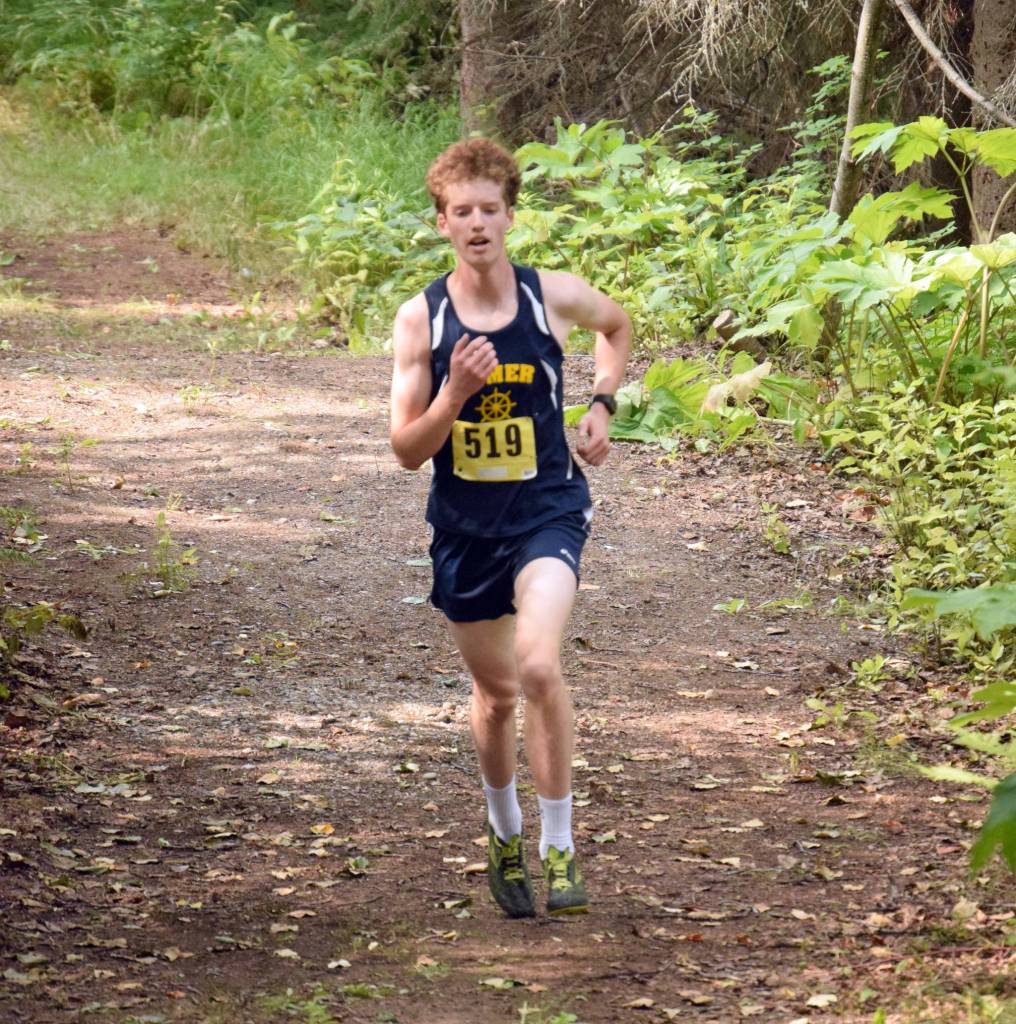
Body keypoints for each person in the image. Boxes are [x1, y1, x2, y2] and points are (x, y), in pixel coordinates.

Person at [389, 138, 631, 918]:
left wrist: (601, 404)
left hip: (548, 509)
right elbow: (405, 451)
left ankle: (560, 849)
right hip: (465, 529)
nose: (478, 223)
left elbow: (617, 327)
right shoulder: (420, 319)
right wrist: (453, 394)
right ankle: (504, 831)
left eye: (490, 209)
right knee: (494, 696)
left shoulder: (550, 296)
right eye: (463, 212)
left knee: (537, 662)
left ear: (510, 216)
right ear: (442, 225)